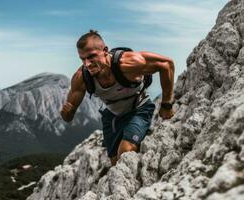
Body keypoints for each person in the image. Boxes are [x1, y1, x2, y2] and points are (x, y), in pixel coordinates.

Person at [60, 30, 175, 166]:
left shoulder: (127, 63)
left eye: (91, 57)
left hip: (139, 109)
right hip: (112, 117)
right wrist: (66, 113)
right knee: (115, 163)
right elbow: (68, 116)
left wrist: (166, 104)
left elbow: (166, 64)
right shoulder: (82, 78)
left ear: (105, 50)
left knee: (125, 153)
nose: (87, 64)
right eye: (82, 59)